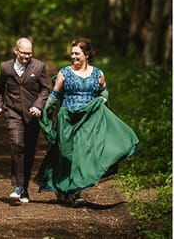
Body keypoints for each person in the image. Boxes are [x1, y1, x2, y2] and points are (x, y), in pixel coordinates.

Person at [34, 39, 139, 205]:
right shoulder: (64, 73)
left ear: (87, 54)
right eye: (72, 53)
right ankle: (62, 188)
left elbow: (104, 92)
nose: (73, 56)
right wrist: (44, 111)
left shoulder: (98, 74)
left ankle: (76, 192)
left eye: (77, 53)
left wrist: (103, 100)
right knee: (66, 154)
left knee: (81, 154)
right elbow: (54, 96)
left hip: (88, 120)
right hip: (68, 118)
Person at [0, 37, 50, 203]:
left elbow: (45, 90)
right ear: (15, 51)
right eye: (24, 53)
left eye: (30, 53)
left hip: (33, 116)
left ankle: (24, 188)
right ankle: (17, 185)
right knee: (17, 145)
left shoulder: (39, 67)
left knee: (29, 151)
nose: (27, 56)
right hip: (13, 112)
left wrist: (39, 106)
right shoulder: (5, 67)